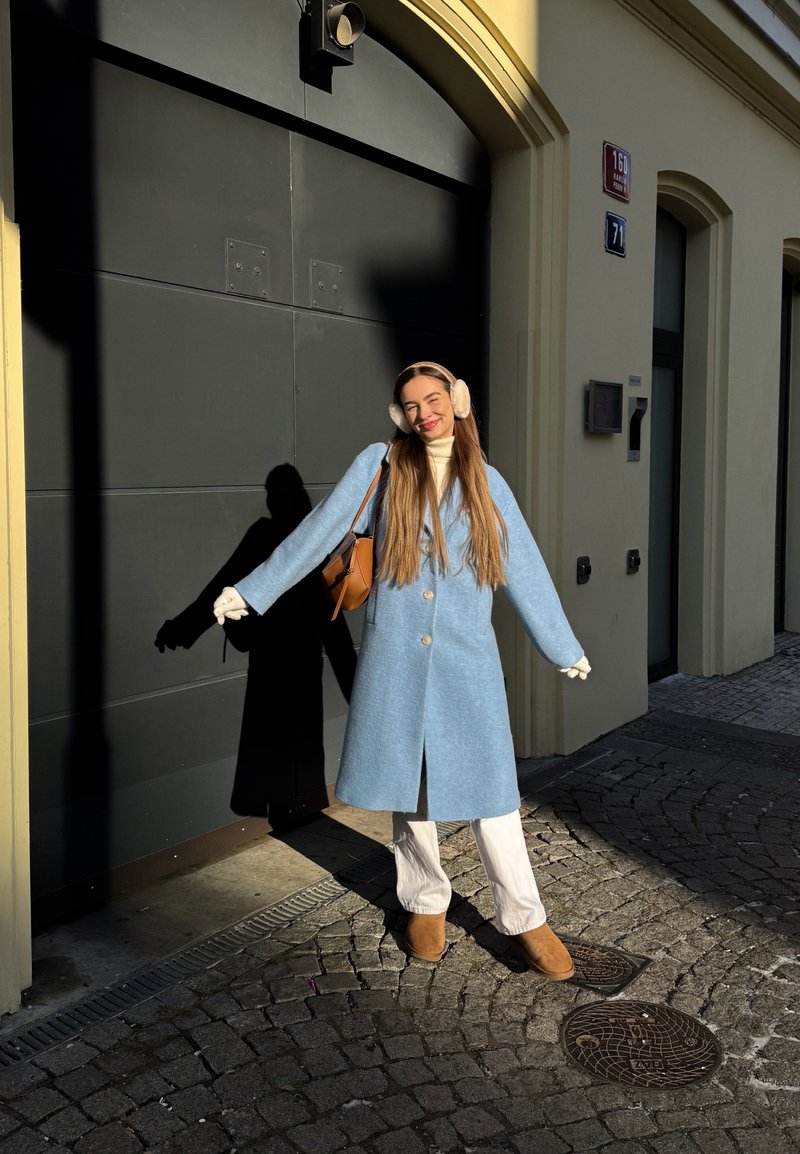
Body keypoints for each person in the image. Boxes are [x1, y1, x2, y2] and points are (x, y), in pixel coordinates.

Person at [213, 361, 590, 979]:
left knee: (494, 795)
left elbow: (524, 565)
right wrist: (251, 591)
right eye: (411, 404)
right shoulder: (380, 467)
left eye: (433, 398)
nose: (424, 412)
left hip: (468, 661)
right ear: (401, 416)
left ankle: (524, 917)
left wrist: (561, 645)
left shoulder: (488, 483)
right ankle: (424, 902)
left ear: (457, 402)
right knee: (408, 788)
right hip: (395, 657)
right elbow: (317, 534)